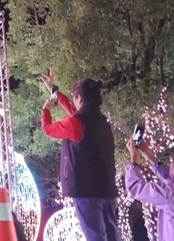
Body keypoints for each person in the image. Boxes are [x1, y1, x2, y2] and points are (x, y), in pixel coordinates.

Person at [40, 69, 118, 241]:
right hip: (107, 189)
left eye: (74, 96)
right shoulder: (102, 121)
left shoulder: (76, 123)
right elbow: (72, 109)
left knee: (95, 236)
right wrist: (54, 91)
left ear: (80, 99)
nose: (72, 100)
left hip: (87, 191)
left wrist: (46, 108)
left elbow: (48, 129)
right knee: (112, 236)